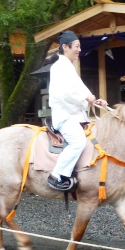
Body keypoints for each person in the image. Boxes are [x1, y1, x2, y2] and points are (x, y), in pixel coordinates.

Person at [47, 30, 108, 191]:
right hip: (65, 116)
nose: (79, 50)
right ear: (65, 47)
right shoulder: (59, 67)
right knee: (78, 142)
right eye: (77, 46)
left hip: (75, 116)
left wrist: (94, 100)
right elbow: (64, 94)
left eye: (79, 46)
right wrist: (86, 98)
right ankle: (57, 176)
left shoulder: (68, 67)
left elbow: (81, 91)